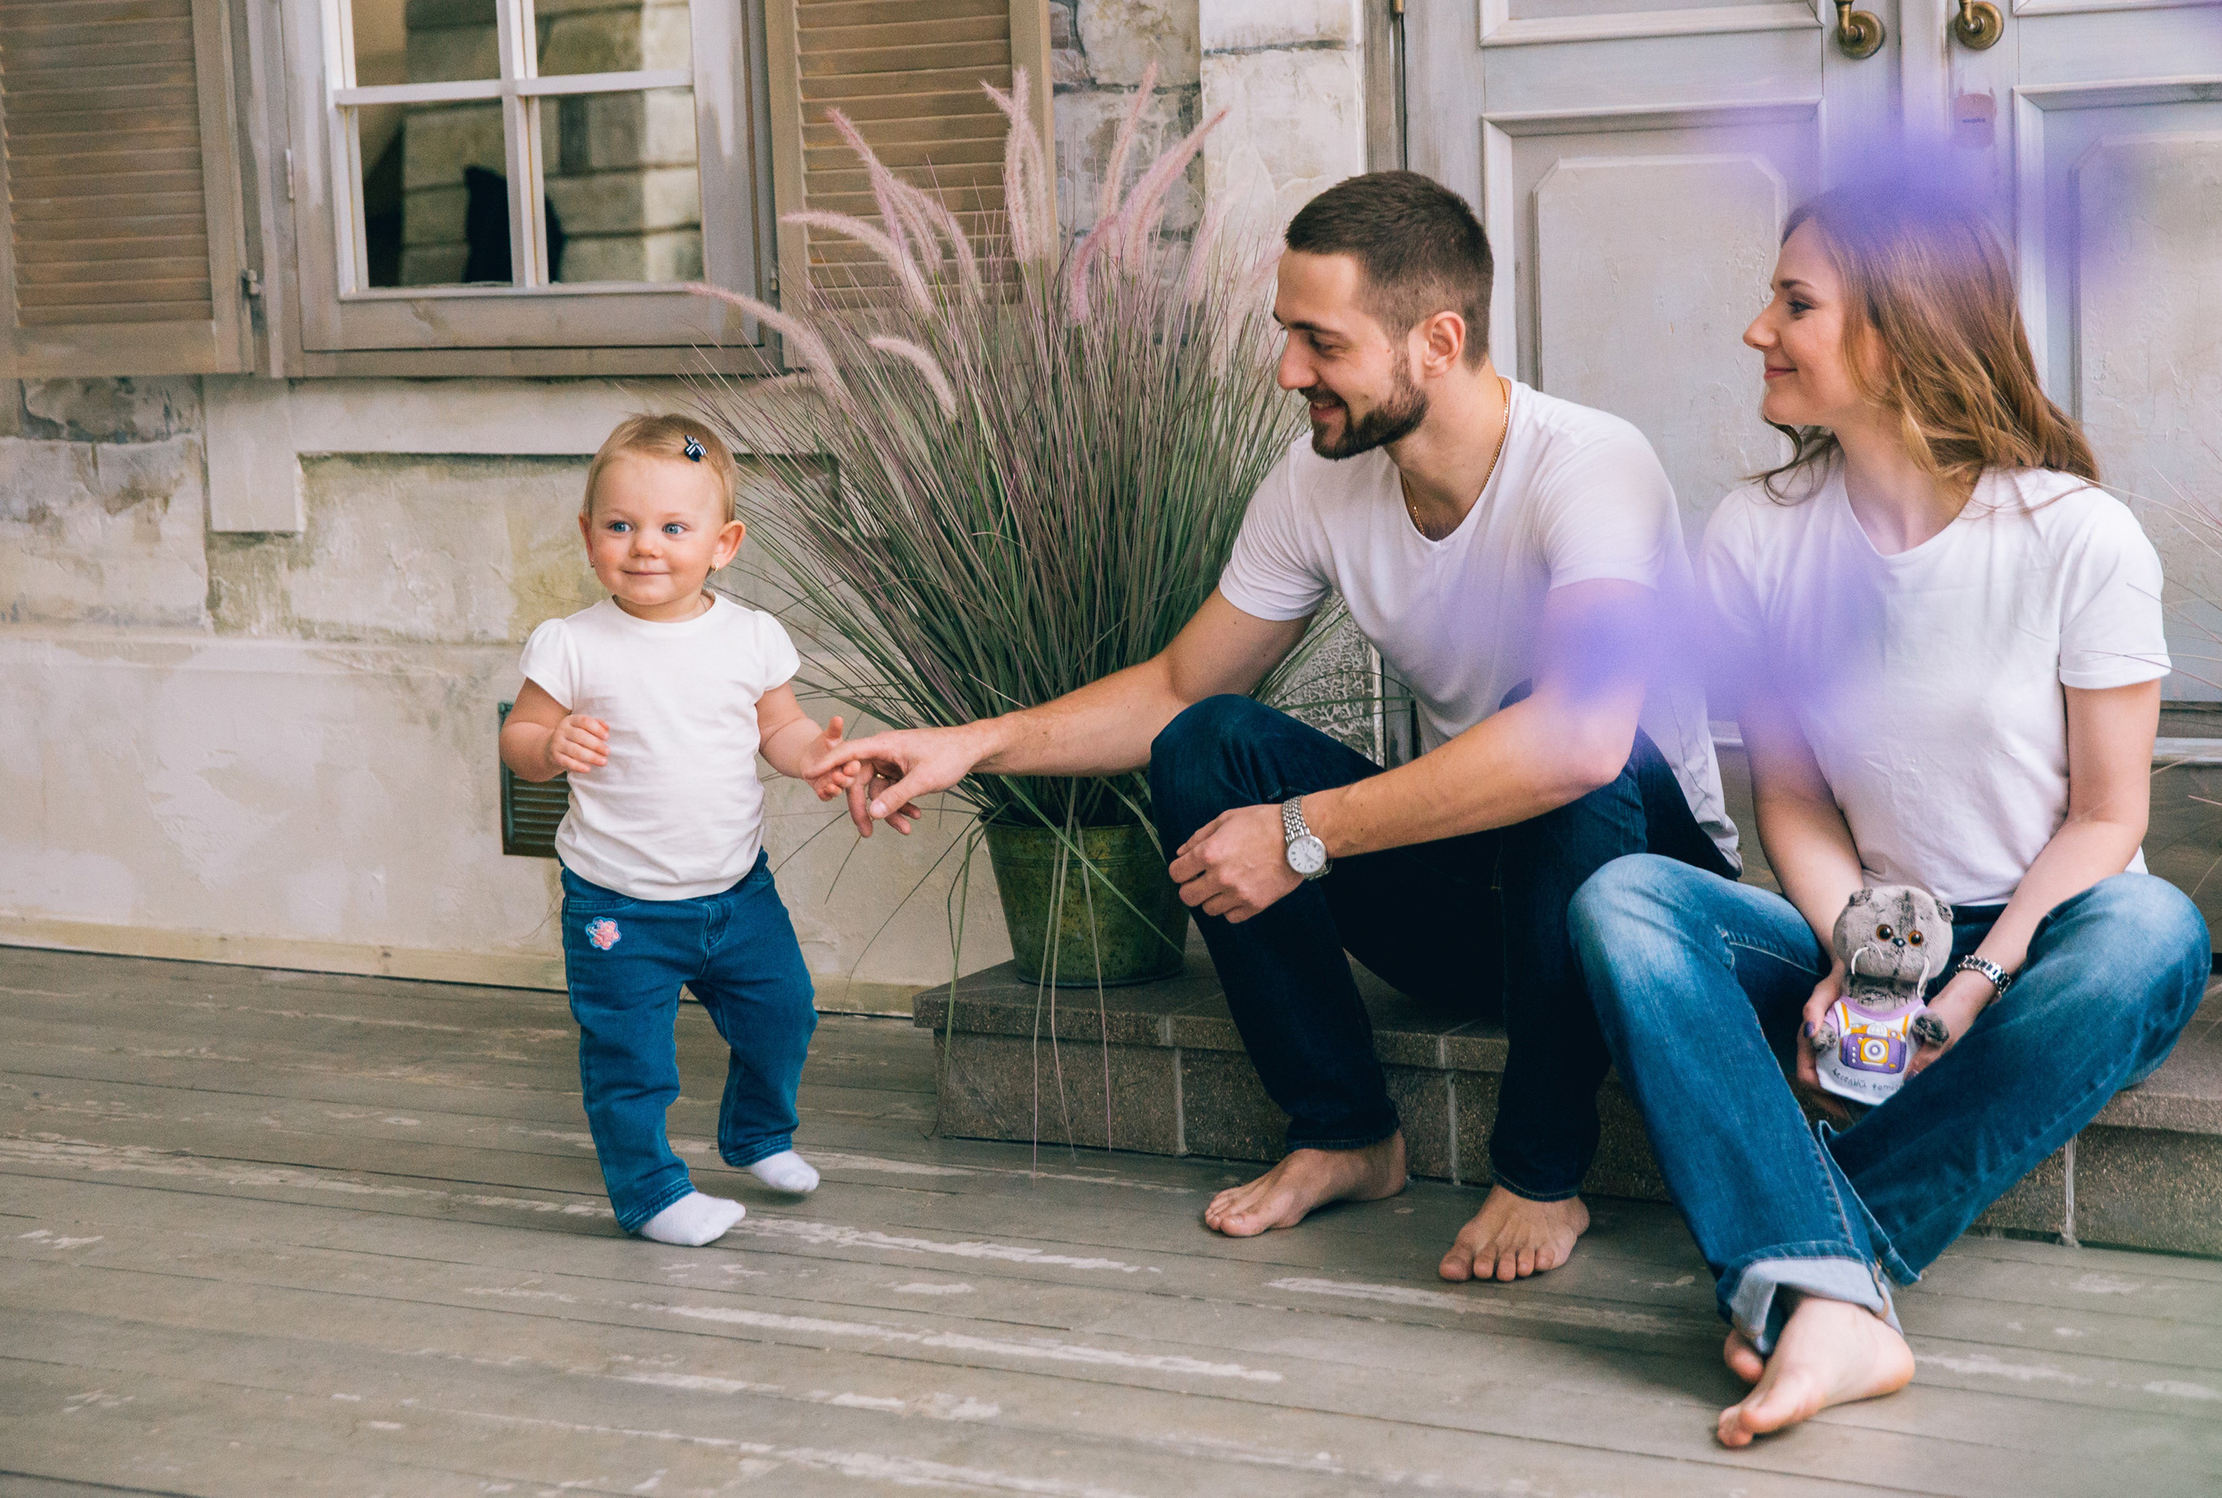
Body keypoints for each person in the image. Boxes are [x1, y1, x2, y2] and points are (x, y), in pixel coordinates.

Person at [812, 171, 1738, 1283]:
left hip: (1638, 905)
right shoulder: (1317, 481)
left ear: (1436, 341)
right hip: (1478, 914)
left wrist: (1301, 835)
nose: (1288, 371)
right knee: (1208, 740)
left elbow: (1582, 744)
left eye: (1320, 341)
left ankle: (1540, 1172)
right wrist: (971, 742)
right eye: (1283, 334)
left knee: (1551, 728)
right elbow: (1173, 688)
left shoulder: (1590, 466)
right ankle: (1345, 1130)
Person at [1569, 182, 2209, 1445]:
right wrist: (1861, 962)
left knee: (2156, 930)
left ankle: (1812, 1264)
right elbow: (1792, 795)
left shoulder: (2080, 538)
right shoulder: (1758, 535)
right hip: (1861, 925)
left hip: (2040, 936)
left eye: (1794, 303)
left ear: (1899, 329)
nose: (1758, 329)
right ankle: (1838, 1299)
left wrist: (1961, 987)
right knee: (1623, 900)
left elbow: (2103, 818)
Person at [501, 413, 847, 1247]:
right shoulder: (573, 644)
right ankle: (651, 1191)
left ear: (722, 543)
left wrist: (816, 758)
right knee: (631, 1056)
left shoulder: (752, 636)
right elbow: (518, 741)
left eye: (672, 527)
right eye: (620, 525)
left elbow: (782, 729)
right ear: (589, 537)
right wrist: (548, 744)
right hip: (619, 907)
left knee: (785, 1011)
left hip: (737, 893)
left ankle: (758, 1133)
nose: (644, 546)